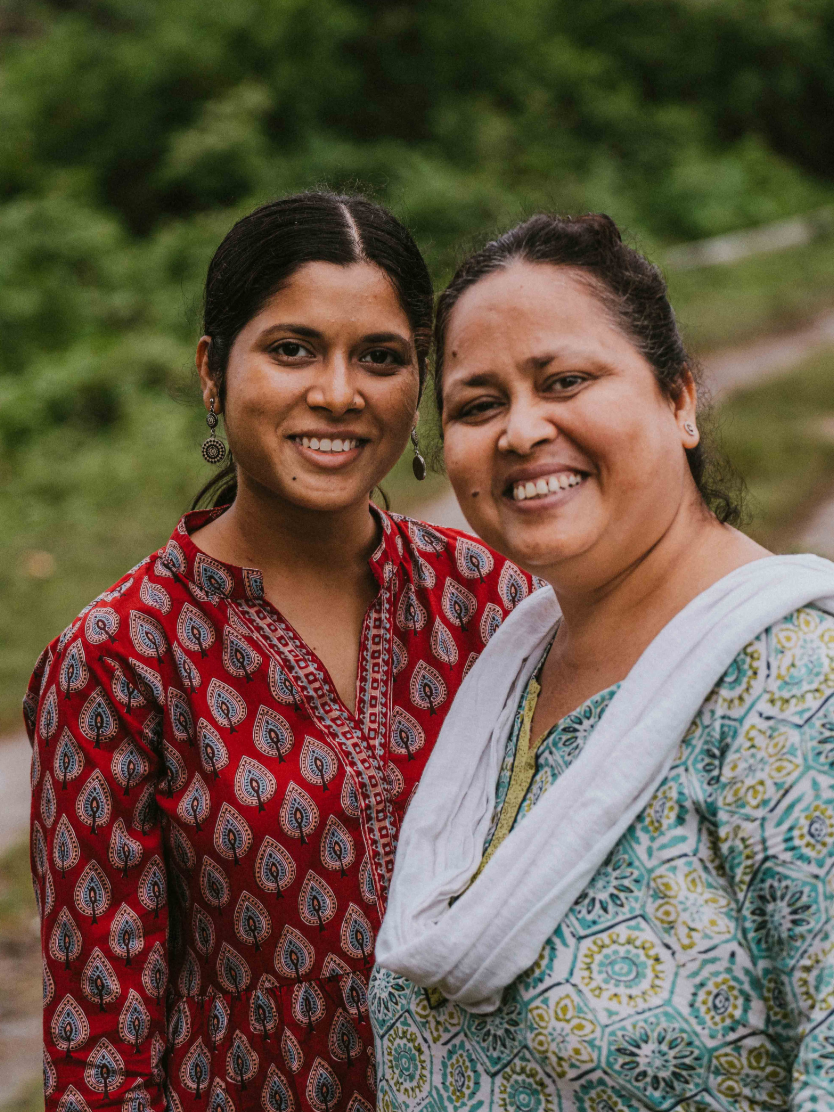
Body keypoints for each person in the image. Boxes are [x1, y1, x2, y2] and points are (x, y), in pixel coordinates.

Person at [27, 192, 532, 1112]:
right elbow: (100, 1042)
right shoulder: (120, 658)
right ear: (212, 371)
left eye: (379, 357)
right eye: (292, 349)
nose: (338, 393)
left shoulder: (492, 599)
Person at [371, 213, 834, 1111]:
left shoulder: (810, 690)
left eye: (564, 381)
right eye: (477, 405)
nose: (519, 431)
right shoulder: (503, 681)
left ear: (679, 399)